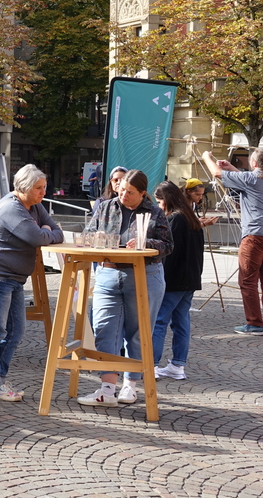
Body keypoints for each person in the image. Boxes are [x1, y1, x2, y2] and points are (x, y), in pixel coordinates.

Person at [78, 169, 172, 407]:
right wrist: (95, 236)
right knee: (104, 330)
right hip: (108, 272)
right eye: (121, 191)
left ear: (142, 193)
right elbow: (87, 234)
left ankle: (130, 385)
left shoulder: (154, 212)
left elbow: (168, 245)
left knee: (138, 332)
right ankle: (107, 389)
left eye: (130, 192)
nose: (123, 196)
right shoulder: (105, 207)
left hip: (144, 274)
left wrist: (145, 242)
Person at [0, 164, 63, 402]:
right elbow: (37, 237)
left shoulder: (34, 205)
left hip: (13, 276)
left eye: (44, 187)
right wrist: (44, 231)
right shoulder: (12, 207)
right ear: (24, 188)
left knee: (16, 330)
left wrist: (46, 231)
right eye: (39, 188)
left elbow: (56, 230)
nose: (44, 192)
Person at [204, 148, 263, 335]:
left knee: (247, 281)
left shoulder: (250, 179)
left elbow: (216, 173)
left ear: (253, 164)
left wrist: (207, 157)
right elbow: (249, 180)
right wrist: (232, 169)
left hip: (254, 236)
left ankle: (255, 323)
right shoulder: (251, 179)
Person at [152, 181, 204, 380]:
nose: (158, 206)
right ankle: (177, 365)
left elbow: (170, 254)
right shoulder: (190, 216)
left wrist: (161, 279)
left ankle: (153, 365)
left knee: (159, 321)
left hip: (175, 279)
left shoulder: (175, 219)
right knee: (181, 322)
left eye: (159, 201)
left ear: (167, 199)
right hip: (190, 279)